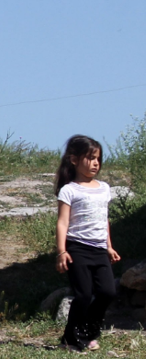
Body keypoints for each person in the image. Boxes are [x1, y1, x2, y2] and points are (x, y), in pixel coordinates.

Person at [54, 135, 120, 352]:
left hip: (99, 249)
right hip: (77, 248)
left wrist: (109, 246)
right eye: (90, 158)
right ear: (74, 160)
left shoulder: (104, 188)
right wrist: (62, 251)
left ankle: (88, 333)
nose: (95, 163)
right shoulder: (69, 190)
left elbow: (104, 219)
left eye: (98, 159)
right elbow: (63, 222)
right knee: (82, 295)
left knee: (107, 292)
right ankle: (70, 340)